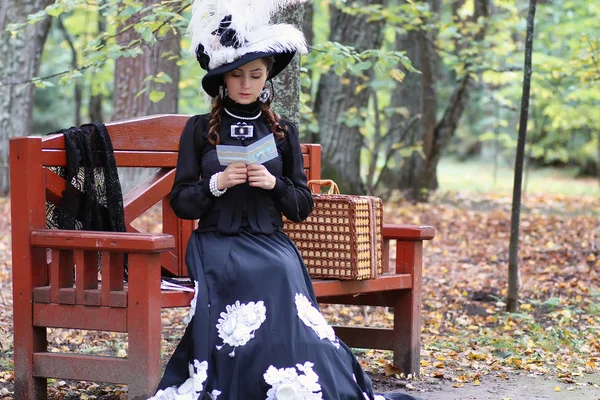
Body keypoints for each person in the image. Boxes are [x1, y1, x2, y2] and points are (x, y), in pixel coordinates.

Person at [149, 0, 420, 399]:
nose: (246, 84)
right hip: (217, 244)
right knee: (258, 276)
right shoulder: (198, 129)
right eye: (237, 75)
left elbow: (302, 205)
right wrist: (218, 183)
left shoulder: (282, 132)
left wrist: (271, 184)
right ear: (223, 80)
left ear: (267, 79)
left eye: (255, 75)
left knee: (278, 271)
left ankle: (299, 382)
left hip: (272, 242)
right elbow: (181, 203)